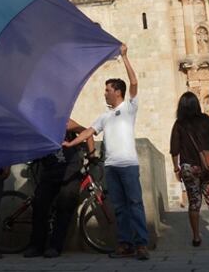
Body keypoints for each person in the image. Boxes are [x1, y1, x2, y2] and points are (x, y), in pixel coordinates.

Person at [65, 43, 150, 260]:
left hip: (128, 165)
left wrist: (124, 57)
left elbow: (134, 82)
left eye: (108, 90)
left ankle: (141, 244)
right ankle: (125, 244)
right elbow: (88, 132)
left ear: (117, 92)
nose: (105, 93)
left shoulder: (129, 108)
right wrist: (71, 144)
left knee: (135, 204)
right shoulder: (105, 116)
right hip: (111, 167)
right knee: (119, 207)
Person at [24, 118, 92, 258]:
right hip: (50, 171)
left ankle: (55, 246)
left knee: (64, 207)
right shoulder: (39, 126)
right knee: (40, 206)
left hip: (70, 171)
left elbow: (87, 132)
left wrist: (92, 154)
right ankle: (36, 246)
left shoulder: (65, 122)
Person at [169, 92, 209, 247]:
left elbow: (174, 150)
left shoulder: (179, 124)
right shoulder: (207, 120)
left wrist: (176, 169)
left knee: (194, 202)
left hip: (189, 167)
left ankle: (196, 237)